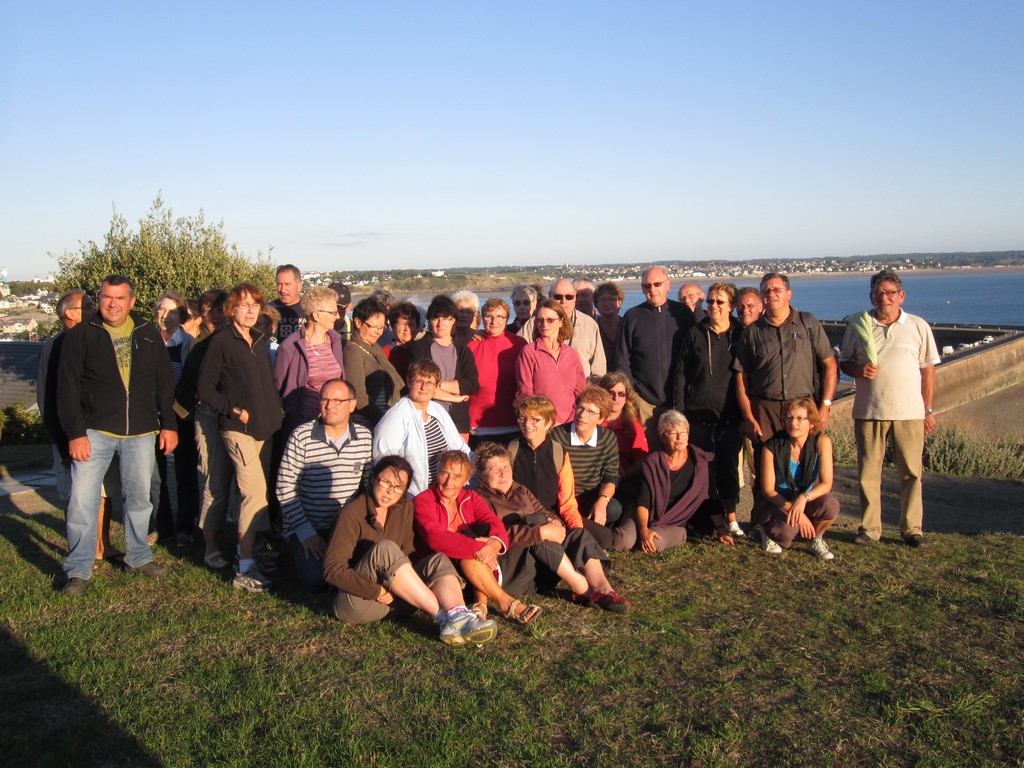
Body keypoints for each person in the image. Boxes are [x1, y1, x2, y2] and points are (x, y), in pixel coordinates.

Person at [57, 275, 177, 596]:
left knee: (139, 499)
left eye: (120, 298)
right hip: (93, 431)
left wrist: (169, 424)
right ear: (99, 299)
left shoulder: (147, 333)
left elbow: (164, 382)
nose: (113, 304)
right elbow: (66, 387)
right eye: (107, 297)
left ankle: (138, 556)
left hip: (140, 430)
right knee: (82, 501)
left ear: (132, 301)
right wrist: (75, 433)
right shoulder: (82, 334)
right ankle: (79, 569)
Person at [322, 455, 497, 646]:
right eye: (386, 482)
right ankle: (446, 618)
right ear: (373, 478)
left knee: (436, 559)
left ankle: (458, 614)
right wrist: (376, 590)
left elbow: (408, 551)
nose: (390, 491)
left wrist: (397, 585)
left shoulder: (404, 508)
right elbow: (332, 569)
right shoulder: (352, 513)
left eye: (398, 487)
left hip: (397, 599)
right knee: (385, 548)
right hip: (356, 602)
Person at [840, 269, 939, 548]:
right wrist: (858, 369)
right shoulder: (859, 326)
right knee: (868, 472)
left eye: (889, 292)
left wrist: (928, 410)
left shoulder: (918, 326)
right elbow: (844, 363)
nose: (884, 298)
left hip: (909, 412)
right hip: (869, 411)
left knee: (911, 472)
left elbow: (928, 370)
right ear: (871, 297)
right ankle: (870, 529)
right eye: (878, 293)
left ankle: (912, 529)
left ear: (901, 295)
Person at [196, 283, 284, 592]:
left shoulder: (257, 340)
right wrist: (235, 411)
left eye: (255, 305)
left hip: (265, 429)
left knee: (254, 495)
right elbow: (204, 389)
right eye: (243, 305)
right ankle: (244, 567)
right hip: (239, 430)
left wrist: (276, 413)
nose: (250, 310)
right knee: (254, 494)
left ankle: (251, 554)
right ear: (231, 309)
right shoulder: (221, 342)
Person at [474, 443, 630, 612]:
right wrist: (541, 531)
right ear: (481, 475)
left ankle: (604, 589)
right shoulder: (477, 500)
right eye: (494, 469)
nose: (503, 473)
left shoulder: (520, 490)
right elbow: (491, 540)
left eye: (506, 466)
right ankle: (583, 588)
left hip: (543, 566)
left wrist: (555, 523)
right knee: (536, 522)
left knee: (576, 533)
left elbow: (544, 512)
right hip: (512, 571)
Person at [413, 451, 541, 624]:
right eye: (444, 473)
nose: (449, 482)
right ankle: (506, 603)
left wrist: (494, 544)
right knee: (473, 553)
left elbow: (495, 524)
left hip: (472, 568)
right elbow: (435, 537)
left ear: (466, 480)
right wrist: (480, 547)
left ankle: (481, 605)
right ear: (437, 472)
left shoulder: (471, 498)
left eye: (457, 476)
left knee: (476, 552)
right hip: (440, 571)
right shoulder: (424, 500)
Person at [40, 290, 121, 564]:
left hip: (101, 432)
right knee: (77, 499)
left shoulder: (98, 339)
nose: (94, 309)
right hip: (71, 437)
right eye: (87, 306)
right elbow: (48, 400)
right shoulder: (56, 345)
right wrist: (64, 441)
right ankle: (82, 553)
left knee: (104, 494)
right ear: (70, 314)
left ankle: (103, 546)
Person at [733, 273, 838, 478]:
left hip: (802, 407)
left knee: (804, 467)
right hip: (766, 411)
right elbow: (741, 377)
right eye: (766, 291)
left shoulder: (808, 324)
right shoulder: (753, 332)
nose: (771, 294)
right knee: (766, 472)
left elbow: (830, 365)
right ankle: (765, 511)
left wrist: (825, 406)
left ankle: (803, 509)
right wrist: (748, 417)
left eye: (777, 289)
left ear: (788, 294)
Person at [277, 379, 372, 591]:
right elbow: (285, 488)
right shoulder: (301, 436)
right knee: (315, 581)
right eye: (325, 399)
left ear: (352, 404)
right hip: (308, 524)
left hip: (345, 525)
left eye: (338, 400)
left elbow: (367, 485)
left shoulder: (364, 437)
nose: (330, 405)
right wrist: (305, 532)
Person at [674, 282, 745, 537]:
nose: (713, 306)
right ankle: (706, 519)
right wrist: (680, 412)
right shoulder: (695, 333)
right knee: (702, 470)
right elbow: (681, 373)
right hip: (697, 414)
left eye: (720, 302)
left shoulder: (740, 334)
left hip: (729, 414)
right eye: (711, 301)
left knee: (727, 467)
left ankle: (732, 518)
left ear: (732, 306)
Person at [615, 410, 736, 553]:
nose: (679, 438)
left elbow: (709, 499)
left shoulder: (700, 463)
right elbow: (643, 501)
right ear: (663, 437)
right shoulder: (653, 463)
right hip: (643, 514)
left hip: (675, 523)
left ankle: (666, 536)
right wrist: (643, 530)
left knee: (654, 543)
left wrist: (722, 530)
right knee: (621, 540)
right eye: (673, 433)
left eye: (683, 432)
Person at [174, 290, 234, 570]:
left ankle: (245, 540)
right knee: (214, 481)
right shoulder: (199, 346)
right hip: (209, 417)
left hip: (239, 419)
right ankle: (211, 543)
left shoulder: (240, 338)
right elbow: (188, 390)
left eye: (219, 309)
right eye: (208, 311)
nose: (215, 316)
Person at [751, 398, 839, 560]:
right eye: (789, 418)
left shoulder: (822, 442)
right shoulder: (771, 447)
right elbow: (768, 491)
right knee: (786, 534)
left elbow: (827, 484)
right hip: (776, 501)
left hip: (802, 499)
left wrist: (804, 498)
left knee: (831, 505)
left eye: (800, 418)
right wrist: (801, 516)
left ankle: (815, 539)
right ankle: (766, 530)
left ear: (811, 422)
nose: (794, 423)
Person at [615, 266, 695, 445]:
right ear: (642, 289)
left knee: (677, 449)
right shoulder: (632, 316)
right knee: (647, 452)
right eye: (647, 286)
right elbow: (622, 358)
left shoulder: (682, 314)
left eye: (657, 284)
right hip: (644, 402)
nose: (652, 290)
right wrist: (634, 391)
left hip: (678, 399)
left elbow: (695, 353)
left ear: (668, 285)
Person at [372, 359, 471, 497]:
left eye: (429, 382)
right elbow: (384, 462)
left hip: (445, 491)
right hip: (414, 496)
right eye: (419, 381)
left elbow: (461, 449)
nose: (424, 387)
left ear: (436, 387)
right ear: (409, 382)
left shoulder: (438, 410)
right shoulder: (396, 417)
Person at [551, 386, 623, 549]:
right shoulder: (558, 435)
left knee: (613, 508)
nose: (582, 415)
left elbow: (611, 476)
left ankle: (589, 534)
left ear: (601, 418)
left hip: (590, 497)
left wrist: (602, 501)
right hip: (563, 500)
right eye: (580, 407)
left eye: (590, 411)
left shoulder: (608, 438)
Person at [152, 290, 197, 547]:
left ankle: (185, 527)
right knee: (155, 475)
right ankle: (163, 525)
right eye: (161, 310)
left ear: (181, 315)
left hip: (182, 417)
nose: (165, 316)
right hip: (153, 417)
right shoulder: (148, 343)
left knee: (185, 473)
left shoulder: (189, 344)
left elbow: (190, 384)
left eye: (171, 311)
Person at [275, 286, 346, 437]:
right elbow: (279, 387)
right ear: (316, 315)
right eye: (333, 313)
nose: (338, 317)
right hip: (304, 425)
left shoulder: (335, 341)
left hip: (335, 421)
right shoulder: (290, 347)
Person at [508, 395, 585, 532]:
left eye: (535, 420)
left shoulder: (559, 452)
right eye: (523, 418)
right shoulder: (510, 450)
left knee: (603, 537)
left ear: (548, 423)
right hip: (520, 518)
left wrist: (577, 531)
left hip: (552, 515)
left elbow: (568, 503)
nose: (527, 424)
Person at [408, 295, 479, 439]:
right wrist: (455, 398)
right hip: (426, 419)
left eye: (445, 318)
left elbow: (471, 385)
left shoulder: (463, 351)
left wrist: (437, 385)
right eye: (436, 318)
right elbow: (420, 386)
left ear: (453, 320)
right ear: (430, 321)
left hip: (458, 422)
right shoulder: (419, 349)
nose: (440, 323)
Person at [466, 298, 527, 447]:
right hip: (478, 427)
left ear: (507, 319)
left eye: (500, 317)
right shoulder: (472, 346)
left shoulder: (518, 344)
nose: (494, 321)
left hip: (512, 425)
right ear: (482, 318)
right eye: (489, 316)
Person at [517, 278, 606, 379]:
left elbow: (599, 368)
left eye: (569, 297)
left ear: (575, 297)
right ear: (550, 296)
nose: (563, 301)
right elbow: (519, 356)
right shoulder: (534, 323)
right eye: (558, 296)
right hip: (544, 390)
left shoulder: (589, 325)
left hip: (582, 390)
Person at [515, 299, 585, 426]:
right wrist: (542, 422)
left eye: (550, 320)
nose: (544, 324)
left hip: (570, 424)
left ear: (561, 322)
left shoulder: (571, 354)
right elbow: (526, 393)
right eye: (540, 320)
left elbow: (580, 392)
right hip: (541, 425)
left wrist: (572, 417)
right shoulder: (528, 352)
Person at [342, 297, 404, 428]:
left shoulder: (375, 349)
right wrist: (385, 422)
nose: (379, 332)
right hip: (367, 423)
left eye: (382, 328)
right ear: (358, 322)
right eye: (374, 327)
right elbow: (359, 398)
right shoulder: (352, 352)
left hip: (384, 417)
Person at [382, 301, 422, 380]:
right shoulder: (384, 353)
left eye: (411, 324)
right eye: (402, 324)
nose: (407, 329)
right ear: (393, 327)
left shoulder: (422, 349)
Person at [270, 264, 304, 341]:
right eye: (279, 284)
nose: (282, 289)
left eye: (287, 284)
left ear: (299, 286)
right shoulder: (267, 310)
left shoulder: (309, 310)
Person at [594, 282, 624, 371]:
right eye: (602, 300)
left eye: (611, 299)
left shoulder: (627, 326)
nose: (607, 303)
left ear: (619, 303)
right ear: (596, 304)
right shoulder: (593, 329)